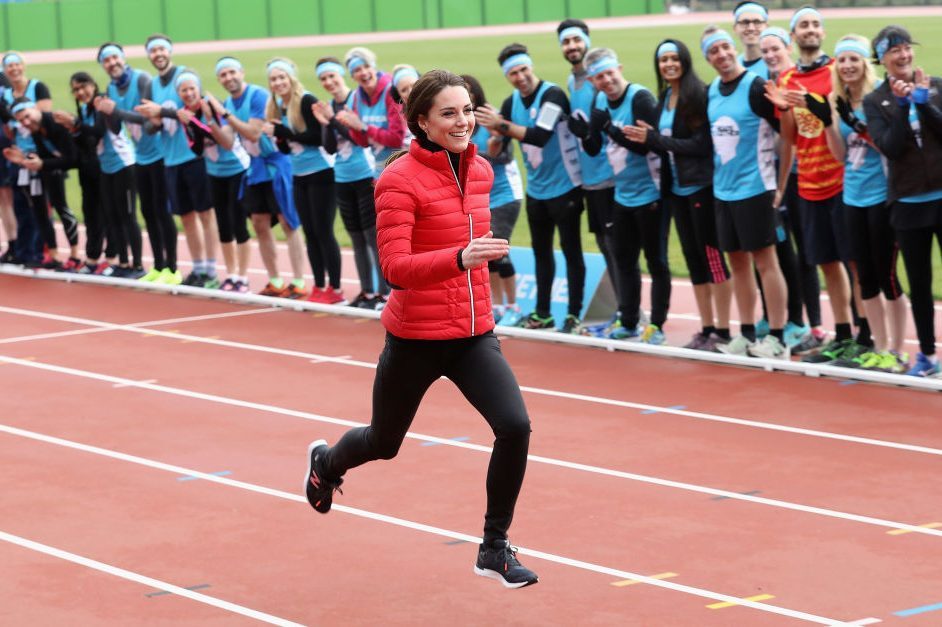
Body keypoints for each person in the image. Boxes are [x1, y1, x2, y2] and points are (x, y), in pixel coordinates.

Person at [303, 70, 537, 589]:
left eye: (468, 111)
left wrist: (476, 261)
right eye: (449, 114)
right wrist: (459, 258)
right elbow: (395, 268)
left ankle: (493, 548)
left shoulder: (482, 172)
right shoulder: (397, 179)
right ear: (423, 123)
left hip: (474, 332)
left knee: (515, 427)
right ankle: (326, 462)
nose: (462, 122)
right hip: (416, 339)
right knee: (384, 442)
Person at [624, 39, 734, 350]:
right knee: (693, 260)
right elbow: (660, 141)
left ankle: (723, 331)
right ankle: (708, 327)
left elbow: (701, 146)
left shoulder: (696, 94)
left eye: (674, 58)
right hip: (676, 191)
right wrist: (650, 136)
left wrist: (656, 138)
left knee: (712, 259)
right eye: (663, 60)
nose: (669, 64)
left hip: (700, 187)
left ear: (684, 61)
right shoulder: (665, 98)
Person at [474, 43, 585, 333]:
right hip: (537, 190)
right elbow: (502, 149)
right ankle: (543, 313)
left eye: (523, 69)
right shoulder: (512, 103)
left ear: (531, 66)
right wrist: (496, 139)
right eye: (513, 73)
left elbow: (539, 136)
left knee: (571, 250)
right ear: (507, 76)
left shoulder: (552, 94)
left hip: (566, 187)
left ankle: (573, 315)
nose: (520, 77)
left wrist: (501, 126)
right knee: (541, 253)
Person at [775, 7, 863, 366]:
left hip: (844, 181)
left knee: (854, 262)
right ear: (793, 36)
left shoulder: (836, 71)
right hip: (808, 183)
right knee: (827, 263)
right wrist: (781, 188)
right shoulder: (786, 80)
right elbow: (788, 140)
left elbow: (845, 115)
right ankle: (842, 335)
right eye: (803, 26)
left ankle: (866, 334)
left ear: (822, 33)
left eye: (815, 24)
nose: (810, 30)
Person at [700, 27, 789, 359]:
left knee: (766, 261)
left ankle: (778, 336)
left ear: (734, 48)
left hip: (756, 188)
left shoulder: (755, 86)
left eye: (725, 47)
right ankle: (747, 332)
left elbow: (787, 135)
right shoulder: (712, 91)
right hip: (724, 191)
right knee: (737, 263)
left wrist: (780, 186)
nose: (721, 54)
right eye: (713, 51)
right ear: (707, 58)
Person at [821, 34, 909, 372]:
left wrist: (853, 122)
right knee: (866, 277)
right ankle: (880, 346)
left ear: (865, 64)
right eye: (842, 60)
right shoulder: (835, 100)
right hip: (852, 198)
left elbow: (889, 148)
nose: (847, 66)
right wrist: (830, 122)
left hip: (882, 197)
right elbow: (840, 155)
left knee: (887, 276)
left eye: (853, 59)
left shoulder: (877, 100)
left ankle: (897, 350)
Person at [863, 25, 942, 376]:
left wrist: (925, 105)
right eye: (894, 50)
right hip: (908, 204)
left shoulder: (936, 86)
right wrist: (900, 106)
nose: (903, 55)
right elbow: (891, 148)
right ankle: (926, 355)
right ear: (882, 59)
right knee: (920, 283)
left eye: (907, 47)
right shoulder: (874, 100)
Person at [581, 48, 671, 344]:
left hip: (652, 192)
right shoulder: (600, 100)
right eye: (599, 77)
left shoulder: (640, 98)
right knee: (624, 260)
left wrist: (609, 127)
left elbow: (648, 146)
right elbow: (595, 147)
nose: (607, 81)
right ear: (593, 81)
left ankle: (656, 325)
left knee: (656, 260)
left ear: (619, 68)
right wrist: (585, 133)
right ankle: (629, 320)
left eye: (610, 73)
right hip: (624, 194)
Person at [210, 55, 308, 298]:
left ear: (241, 72)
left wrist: (225, 114)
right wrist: (211, 120)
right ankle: (275, 280)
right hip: (256, 168)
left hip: (277, 165)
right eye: (223, 74)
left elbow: (253, 133)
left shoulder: (256, 96)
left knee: (288, 221)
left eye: (232, 72)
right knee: (259, 223)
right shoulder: (229, 105)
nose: (229, 78)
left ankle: (299, 281)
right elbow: (227, 142)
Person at [135, 34, 218, 288]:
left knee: (205, 213)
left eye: (162, 49)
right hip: (170, 160)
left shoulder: (185, 76)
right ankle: (198, 267)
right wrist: (156, 120)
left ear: (170, 51)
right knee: (186, 217)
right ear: (149, 55)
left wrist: (162, 112)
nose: (158, 54)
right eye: (153, 51)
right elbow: (149, 125)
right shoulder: (151, 86)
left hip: (194, 156)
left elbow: (193, 109)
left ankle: (212, 271)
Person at [760, 26, 825, 352]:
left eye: (776, 49)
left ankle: (813, 325)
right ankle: (794, 321)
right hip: (781, 178)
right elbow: (780, 136)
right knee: (787, 252)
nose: (771, 55)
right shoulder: (776, 85)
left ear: (788, 46)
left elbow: (797, 136)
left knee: (810, 253)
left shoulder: (798, 81)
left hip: (809, 176)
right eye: (765, 51)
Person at [556, 19, 621, 336]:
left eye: (576, 40)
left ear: (587, 41)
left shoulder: (600, 81)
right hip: (589, 179)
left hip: (611, 176)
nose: (571, 46)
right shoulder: (572, 81)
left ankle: (626, 311)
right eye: (565, 42)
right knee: (604, 243)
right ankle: (621, 309)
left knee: (616, 245)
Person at [96, 41, 180, 284]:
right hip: (140, 156)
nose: (112, 63)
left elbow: (147, 120)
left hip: (160, 154)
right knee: (148, 212)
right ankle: (157, 266)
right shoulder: (111, 88)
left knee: (163, 212)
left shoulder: (142, 79)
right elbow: (116, 128)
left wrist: (117, 111)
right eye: (106, 61)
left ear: (123, 58)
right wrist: (107, 112)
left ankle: (172, 269)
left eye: (115, 58)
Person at [266, 57, 345, 304]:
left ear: (291, 77)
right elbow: (290, 147)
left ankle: (335, 288)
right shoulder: (279, 105)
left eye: (282, 77)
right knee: (310, 233)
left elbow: (317, 138)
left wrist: (284, 133)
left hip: (322, 173)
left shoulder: (306, 100)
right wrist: (280, 139)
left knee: (323, 231)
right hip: (298, 175)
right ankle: (319, 286)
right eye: (273, 79)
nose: (278, 82)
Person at [312, 56, 388, 310]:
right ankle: (366, 292)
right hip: (342, 177)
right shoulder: (331, 106)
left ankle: (383, 292)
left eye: (332, 76)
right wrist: (326, 123)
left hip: (365, 174)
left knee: (371, 236)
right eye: (323, 79)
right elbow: (331, 148)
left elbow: (357, 137)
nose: (328, 82)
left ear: (341, 75)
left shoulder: (355, 101)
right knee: (355, 237)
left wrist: (333, 118)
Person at [176, 70, 252, 292]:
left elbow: (223, 139)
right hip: (214, 173)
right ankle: (231, 274)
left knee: (239, 224)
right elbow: (197, 148)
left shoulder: (213, 106)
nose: (189, 93)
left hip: (237, 169)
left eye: (192, 88)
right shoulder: (185, 115)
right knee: (224, 226)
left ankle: (244, 277)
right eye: (184, 90)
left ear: (198, 89)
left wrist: (197, 124)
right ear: (179, 94)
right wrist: (189, 125)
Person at [1, 52, 75, 268]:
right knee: (22, 204)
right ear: (4, 71)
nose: (14, 69)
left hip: (42, 157)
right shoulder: (5, 95)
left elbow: (44, 122)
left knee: (44, 206)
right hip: (20, 159)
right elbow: (9, 128)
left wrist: (39, 157)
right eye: (9, 66)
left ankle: (46, 251)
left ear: (23, 66)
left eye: (17, 64)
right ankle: (25, 252)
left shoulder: (37, 87)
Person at [463, 73, 524, 326]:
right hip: (480, 197)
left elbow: (505, 156)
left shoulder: (490, 117)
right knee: (487, 254)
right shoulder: (461, 121)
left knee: (498, 252)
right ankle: (497, 306)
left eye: (469, 92)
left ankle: (514, 305)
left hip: (505, 194)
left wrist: (496, 140)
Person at [52, 72, 112, 274]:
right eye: (76, 90)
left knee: (107, 213)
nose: (80, 92)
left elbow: (99, 132)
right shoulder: (84, 109)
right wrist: (73, 129)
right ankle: (93, 258)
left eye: (83, 87)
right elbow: (84, 141)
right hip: (87, 170)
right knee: (90, 214)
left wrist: (76, 125)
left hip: (106, 167)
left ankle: (112, 259)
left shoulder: (101, 104)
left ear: (93, 84)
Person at [334, 47, 406, 180]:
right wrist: (353, 126)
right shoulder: (357, 97)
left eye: (366, 66)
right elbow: (363, 143)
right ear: (352, 76)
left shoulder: (391, 91)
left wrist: (364, 127)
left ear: (374, 67)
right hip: (380, 169)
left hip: (403, 168)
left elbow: (396, 139)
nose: (363, 72)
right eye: (357, 70)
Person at [733, 2, 770, 79]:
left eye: (757, 22)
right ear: (735, 28)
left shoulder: (775, 63)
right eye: (745, 22)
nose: (751, 28)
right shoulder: (733, 65)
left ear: (766, 27)